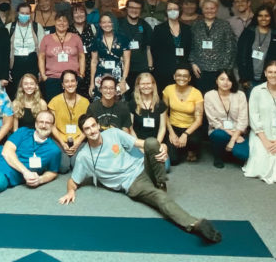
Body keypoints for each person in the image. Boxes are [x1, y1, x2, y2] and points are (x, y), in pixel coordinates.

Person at [59, 114, 222, 244]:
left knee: (152, 142)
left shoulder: (113, 133)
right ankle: (195, 224)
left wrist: (161, 146)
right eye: (87, 128)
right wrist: (70, 191)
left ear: (98, 125)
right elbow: (73, 181)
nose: (92, 130)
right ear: (84, 132)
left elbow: (140, 143)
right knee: (160, 198)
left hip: (142, 167)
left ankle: (160, 182)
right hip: (133, 184)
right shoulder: (84, 156)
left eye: (94, 125)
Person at [188, 0, 237, 92]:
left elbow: (231, 47)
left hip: (219, 71)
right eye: (206, 8)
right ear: (202, 9)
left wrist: (225, 70)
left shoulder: (224, 25)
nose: (209, 11)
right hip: (200, 70)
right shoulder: (195, 25)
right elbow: (191, 46)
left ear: (217, 9)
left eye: (212, 8)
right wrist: (192, 63)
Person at [203, 70, 249, 168]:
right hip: (220, 131)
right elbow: (213, 121)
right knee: (218, 135)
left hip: (239, 132)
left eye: (229, 80)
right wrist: (233, 136)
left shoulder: (240, 95)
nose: (225, 83)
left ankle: (230, 151)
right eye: (222, 79)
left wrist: (233, 139)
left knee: (243, 154)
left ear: (233, 82)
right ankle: (218, 156)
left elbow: (243, 120)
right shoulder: (209, 96)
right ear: (216, 81)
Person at [46, 70, 90, 173]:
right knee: (63, 167)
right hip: (60, 139)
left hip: (79, 139)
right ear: (62, 85)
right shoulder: (54, 101)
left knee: (76, 165)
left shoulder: (85, 102)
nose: (70, 84)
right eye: (67, 81)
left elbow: (87, 127)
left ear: (77, 83)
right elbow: (52, 126)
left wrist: (77, 143)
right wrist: (63, 143)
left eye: (72, 81)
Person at [236, 6, 276, 93]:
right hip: (249, 79)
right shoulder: (248, 32)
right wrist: (243, 78)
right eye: (260, 16)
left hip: (269, 79)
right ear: (256, 17)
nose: (263, 18)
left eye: (266, 16)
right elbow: (241, 56)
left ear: (271, 17)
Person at [162, 65, 204, 164]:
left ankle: (191, 150)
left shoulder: (196, 93)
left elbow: (199, 121)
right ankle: (179, 148)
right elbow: (164, 113)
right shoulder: (168, 90)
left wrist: (185, 135)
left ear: (189, 78)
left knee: (194, 140)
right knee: (173, 161)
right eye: (179, 75)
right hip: (173, 126)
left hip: (190, 128)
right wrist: (171, 133)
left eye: (185, 76)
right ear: (174, 77)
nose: (182, 78)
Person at [38, 12, 85, 100]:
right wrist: (43, 76)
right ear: (55, 23)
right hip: (52, 78)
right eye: (59, 21)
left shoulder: (76, 38)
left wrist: (81, 74)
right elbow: (41, 57)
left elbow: (81, 56)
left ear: (68, 24)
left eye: (64, 21)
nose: (62, 23)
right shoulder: (46, 39)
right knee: (53, 107)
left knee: (72, 104)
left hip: (72, 79)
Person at [151, 0, 193, 93]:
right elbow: (154, 50)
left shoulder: (187, 29)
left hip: (183, 71)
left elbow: (190, 48)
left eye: (175, 9)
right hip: (164, 70)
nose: (173, 11)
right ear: (166, 11)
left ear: (180, 11)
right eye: (170, 9)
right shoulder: (159, 29)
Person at [117, 0, 154, 98]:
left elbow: (148, 48)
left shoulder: (145, 26)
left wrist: (150, 67)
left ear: (141, 10)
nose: (134, 10)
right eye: (132, 7)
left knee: (141, 97)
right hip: (122, 69)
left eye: (137, 8)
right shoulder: (119, 24)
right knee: (124, 98)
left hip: (141, 68)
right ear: (127, 8)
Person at [88, 13, 131, 99]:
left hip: (118, 74)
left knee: (118, 100)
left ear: (114, 23)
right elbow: (93, 62)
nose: (107, 25)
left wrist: (123, 79)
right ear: (100, 24)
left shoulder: (123, 39)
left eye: (109, 22)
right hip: (100, 75)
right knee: (100, 100)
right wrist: (92, 83)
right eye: (104, 22)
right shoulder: (96, 40)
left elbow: (127, 61)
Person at [6, 2, 43, 96]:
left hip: (32, 62)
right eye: (22, 13)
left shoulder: (37, 27)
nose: (24, 15)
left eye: (27, 13)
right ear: (17, 13)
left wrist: (41, 70)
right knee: (15, 91)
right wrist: (7, 70)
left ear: (30, 14)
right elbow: (5, 51)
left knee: (32, 90)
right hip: (15, 63)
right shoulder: (10, 27)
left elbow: (42, 50)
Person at [131, 73, 169, 151]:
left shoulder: (160, 104)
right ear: (138, 86)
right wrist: (140, 146)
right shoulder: (132, 104)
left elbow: (162, 128)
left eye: (148, 83)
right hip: (137, 143)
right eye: (142, 84)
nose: (146, 86)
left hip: (157, 142)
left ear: (153, 85)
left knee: (164, 161)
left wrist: (156, 145)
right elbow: (130, 129)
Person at [70, 4, 98, 96]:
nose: (79, 15)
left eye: (82, 12)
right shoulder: (68, 30)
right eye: (76, 13)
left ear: (86, 14)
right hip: (74, 69)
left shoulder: (92, 28)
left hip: (91, 69)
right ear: (72, 15)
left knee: (90, 96)